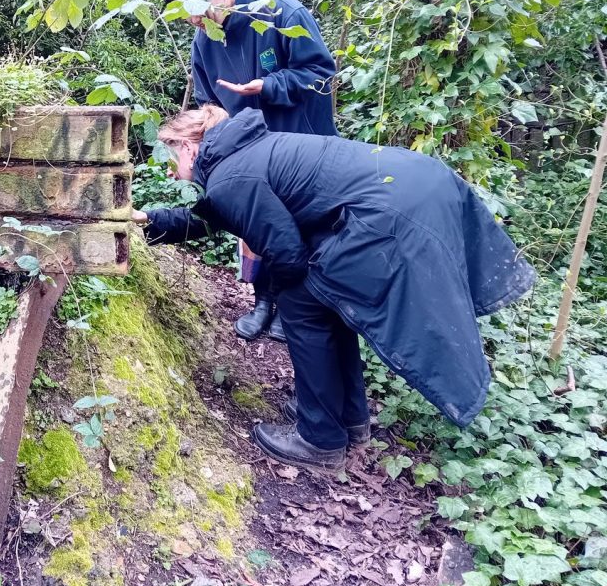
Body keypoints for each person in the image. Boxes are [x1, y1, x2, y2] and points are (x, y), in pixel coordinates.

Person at [132, 105, 536, 473]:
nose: (171, 168)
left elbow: (286, 253)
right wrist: (147, 218)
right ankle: (346, 417)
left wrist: (281, 293)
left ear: (188, 148)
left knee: (302, 305)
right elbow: (216, 217)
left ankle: (320, 438)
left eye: (172, 155)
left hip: (390, 213)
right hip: (416, 182)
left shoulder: (231, 174)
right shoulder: (248, 153)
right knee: (322, 298)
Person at [166, 0, 338, 344]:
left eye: (197, 9)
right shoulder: (204, 43)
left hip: (299, 146)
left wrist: (270, 86)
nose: (194, 20)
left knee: (300, 231)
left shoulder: (281, 12)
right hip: (250, 153)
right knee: (255, 227)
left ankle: (292, 308)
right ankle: (263, 301)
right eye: (186, 15)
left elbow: (321, 74)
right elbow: (209, 101)